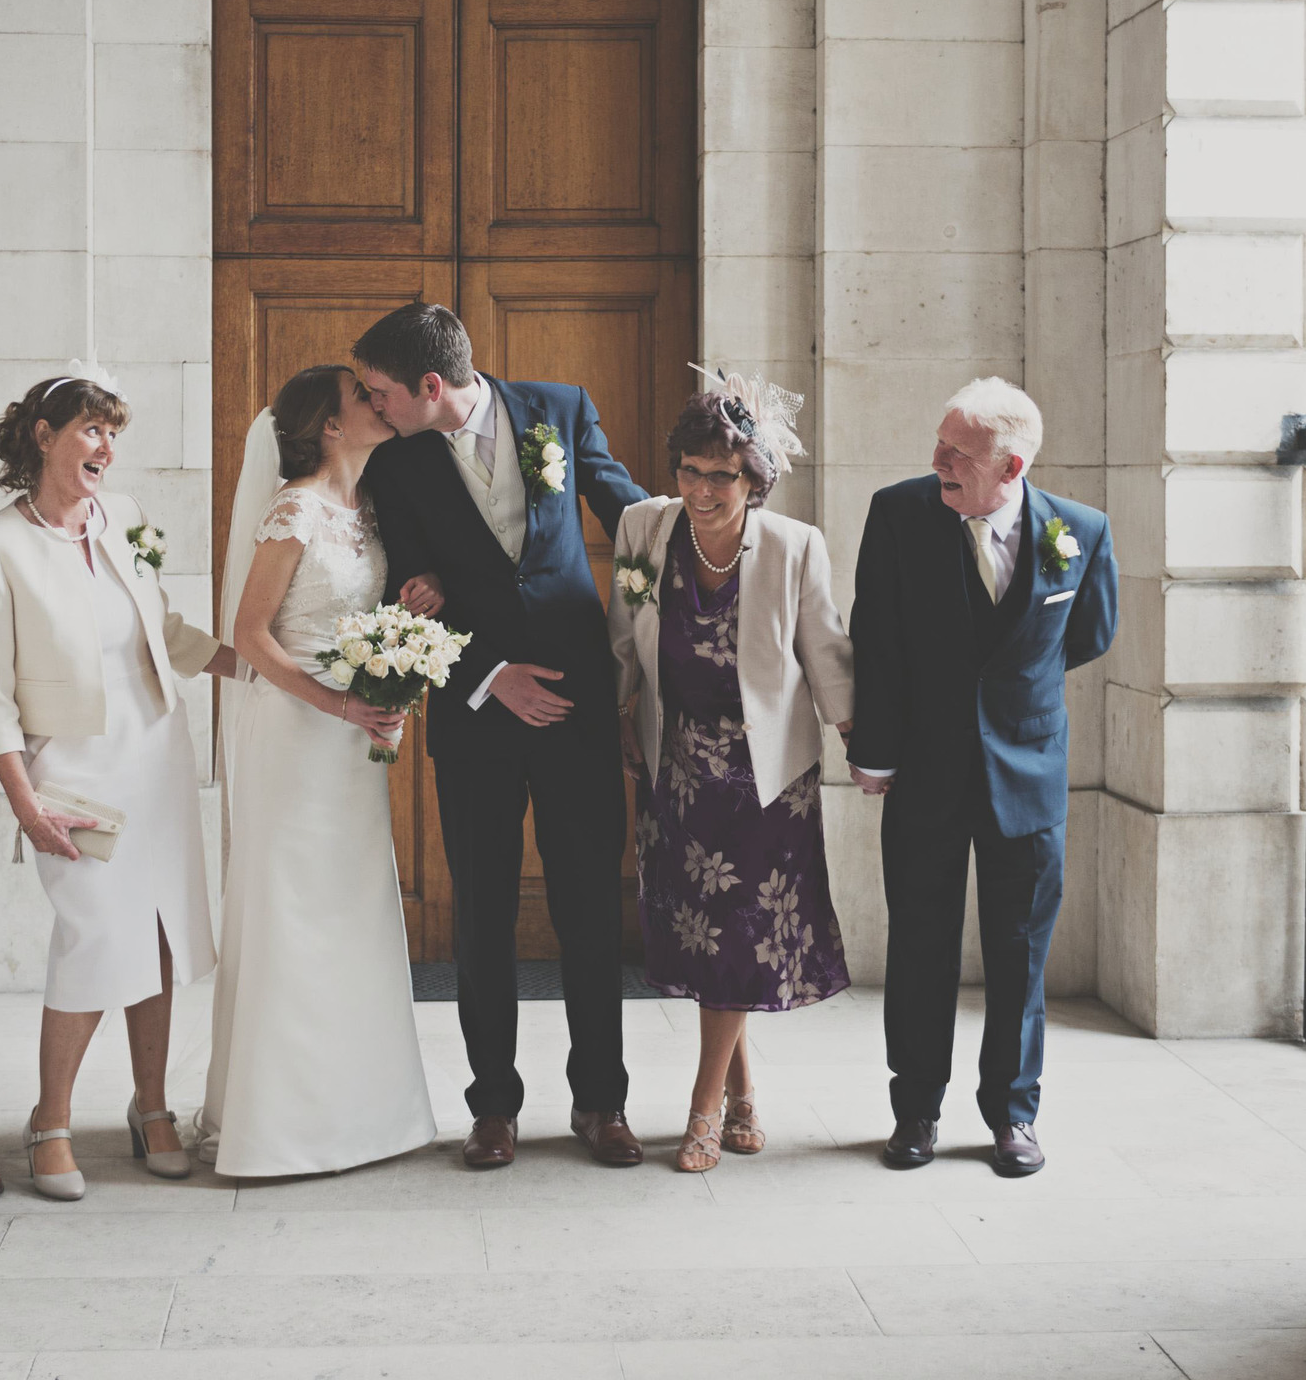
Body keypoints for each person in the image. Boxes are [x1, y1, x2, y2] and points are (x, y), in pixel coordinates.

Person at [353, 304, 650, 1170]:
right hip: (477, 717)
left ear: (431, 386)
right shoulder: (396, 462)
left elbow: (631, 520)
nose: (376, 407)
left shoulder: (559, 407)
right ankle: (494, 1109)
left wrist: (720, 522)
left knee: (590, 909)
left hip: (578, 708)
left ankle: (603, 1103)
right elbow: (406, 593)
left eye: (383, 392)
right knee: (480, 915)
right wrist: (488, 677)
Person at [0, 367, 237, 1201]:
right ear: (44, 437)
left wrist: (250, 663)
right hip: (69, 768)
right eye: (90, 430)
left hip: (154, 752)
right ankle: (50, 1119)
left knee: (155, 936)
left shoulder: (124, 518)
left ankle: (152, 1107)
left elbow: (164, 629)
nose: (106, 449)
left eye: (113, 432)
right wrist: (23, 800)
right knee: (92, 939)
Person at [847, 377, 1117, 1177]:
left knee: (1019, 954)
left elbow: (1089, 634)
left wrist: (1008, 704)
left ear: (1011, 467)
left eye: (957, 453)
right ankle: (916, 1113)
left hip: (1028, 779)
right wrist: (879, 749)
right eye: (939, 444)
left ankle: (1013, 1116)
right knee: (920, 949)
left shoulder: (1082, 531)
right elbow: (878, 637)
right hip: (924, 772)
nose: (937, 460)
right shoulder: (898, 514)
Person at [607, 376, 856, 1171]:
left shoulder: (793, 546)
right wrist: (621, 723)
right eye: (689, 470)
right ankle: (745, 1090)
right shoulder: (643, 528)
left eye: (723, 476)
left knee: (738, 940)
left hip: (765, 781)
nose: (702, 490)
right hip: (678, 771)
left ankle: (704, 1109)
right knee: (714, 945)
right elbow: (623, 641)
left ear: (756, 480)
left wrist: (863, 744)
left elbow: (826, 654)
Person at [197, 365, 438, 1177]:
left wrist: (402, 644)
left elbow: (357, 614)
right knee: (292, 910)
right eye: (362, 399)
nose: (381, 403)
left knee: (350, 909)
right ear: (330, 427)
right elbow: (251, 635)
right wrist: (338, 706)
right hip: (297, 733)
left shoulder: (364, 508)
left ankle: (363, 1116)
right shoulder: (293, 507)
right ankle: (281, 1125)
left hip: (351, 736)